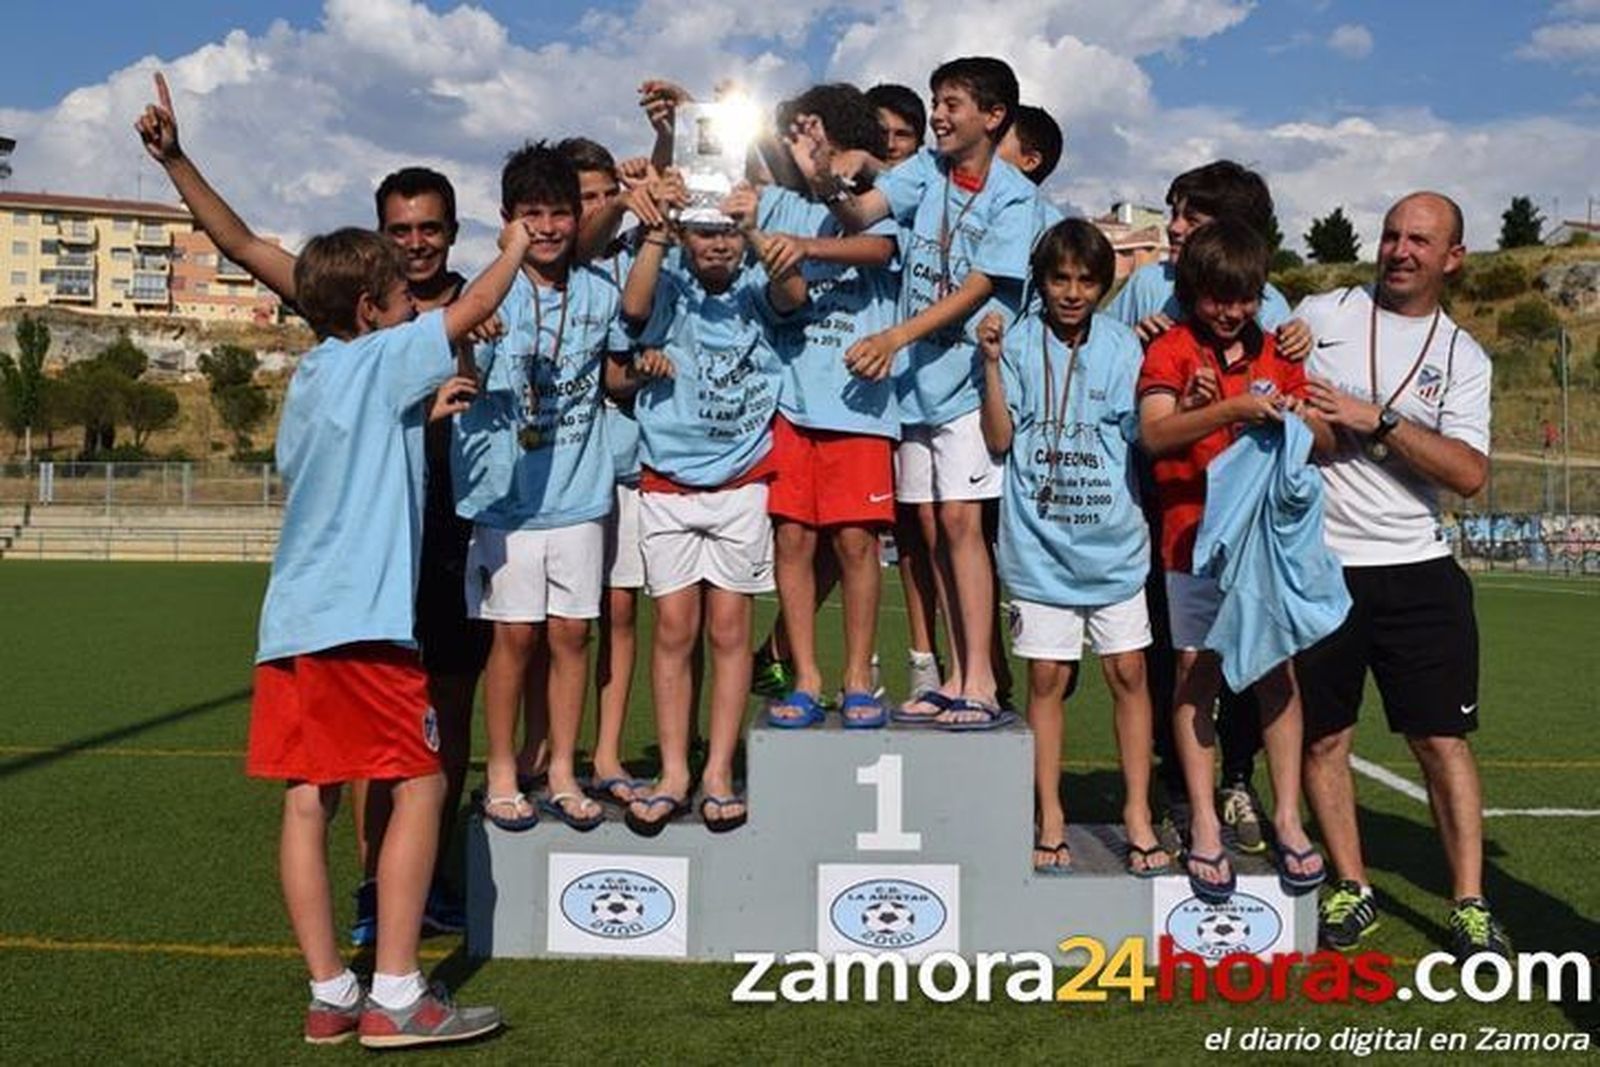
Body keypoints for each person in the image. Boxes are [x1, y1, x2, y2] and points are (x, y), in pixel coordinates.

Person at [133, 73, 482, 946]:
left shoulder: (427, 305)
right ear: (378, 244)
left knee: (443, 729)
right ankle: (379, 909)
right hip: (366, 569)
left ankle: (423, 895)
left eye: (428, 229)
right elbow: (243, 241)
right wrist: (177, 160)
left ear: (451, 231)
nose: (414, 246)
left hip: (444, 544)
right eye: (398, 231)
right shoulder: (349, 302)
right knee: (393, 754)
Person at [241, 222, 523, 1045]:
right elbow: (475, 306)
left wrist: (420, 411)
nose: (415, 305)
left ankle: (330, 992)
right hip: (363, 622)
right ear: (369, 309)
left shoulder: (316, 373)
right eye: (403, 296)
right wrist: (510, 245)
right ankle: (397, 994)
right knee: (423, 783)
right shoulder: (381, 353)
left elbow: (354, 440)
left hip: (291, 623)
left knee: (307, 799)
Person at [1295, 192, 1507, 959]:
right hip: (1321, 565)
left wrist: (1374, 418)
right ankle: (1352, 885)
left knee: (1440, 741)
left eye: (1420, 239)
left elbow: (1469, 472)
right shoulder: (1322, 313)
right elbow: (1284, 399)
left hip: (1418, 571)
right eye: (1390, 235)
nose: (1399, 250)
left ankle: (1471, 902)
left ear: (1452, 257)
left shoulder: (1463, 357)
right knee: (1325, 738)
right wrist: (1315, 424)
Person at [817, 56, 1039, 730]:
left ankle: (980, 678)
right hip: (914, 389)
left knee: (965, 524)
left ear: (992, 116)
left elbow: (976, 289)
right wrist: (829, 176)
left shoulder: (1013, 195)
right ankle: (951, 673)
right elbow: (861, 214)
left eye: (951, 104)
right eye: (935, 103)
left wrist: (895, 339)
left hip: (970, 381)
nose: (937, 116)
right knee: (934, 528)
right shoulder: (925, 172)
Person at [1107, 159, 1308, 857]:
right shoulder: (1146, 295)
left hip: (1248, 522)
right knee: (1176, 657)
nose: (1175, 229)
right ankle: (1178, 788)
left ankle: (1239, 778)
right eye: (1174, 213)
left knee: (1256, 659)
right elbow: (1131, 392)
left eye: (1189, 216)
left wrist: (1299, 359)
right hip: (1167, 506)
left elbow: (1290, 382)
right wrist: (1128, 346)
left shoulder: (1270, 305)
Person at [1136, 218, 1330, 904]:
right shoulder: (1170, 351)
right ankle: (1207, 822)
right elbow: (1156, 436)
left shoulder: (1281, 350)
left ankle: (1287, 817)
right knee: (1198, 672)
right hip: (1192, 539)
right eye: (1217, 298)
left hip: (1264, 543)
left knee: (1276, 670)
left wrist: (1295, 417)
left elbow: (1316, 433)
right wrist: (1222, 411)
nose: (1231, 312)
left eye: (1243, 298)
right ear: (1193, 293)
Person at [978, 219, 1167, 876]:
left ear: (1102, 285)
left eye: (1086, 280)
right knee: (1048, 679)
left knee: (1129, 674)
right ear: (1044, 280)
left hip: (1114, 547)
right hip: (1038, 548)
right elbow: (1000, 440)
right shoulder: (1018, 341)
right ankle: (1050, 812)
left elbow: (1142, 435)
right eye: (1060, 278)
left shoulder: (1122, 347)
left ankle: (1137, 812)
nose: (1072, 292)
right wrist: (992, 367)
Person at [616, 189, 808, 834]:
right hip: (668, 480)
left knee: (729, 631)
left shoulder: (757, 284)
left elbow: (794, 299)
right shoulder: (668, 283)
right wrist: (661, 234)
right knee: (673, 630)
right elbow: (634, 307)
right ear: (685, 237)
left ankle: (719, 770)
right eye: (706, 233)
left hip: (741, 482)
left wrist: (755, 231)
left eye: (729, 232)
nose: (719, 243)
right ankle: (674, 769)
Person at [453, 143, 628, 834]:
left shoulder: (599, 292)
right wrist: (474, 335)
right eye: (533, 215)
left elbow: (613, 375)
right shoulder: (488, 291)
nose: (549, 227)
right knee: (515, 639)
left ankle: (561, 771)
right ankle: (502, 771)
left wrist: (642, 367)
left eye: (560, 213)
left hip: (581, 494)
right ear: (507, 220)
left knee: (571, 635)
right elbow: (462, 372)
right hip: (508, 499)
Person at [754, 84, 901, 729]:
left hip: (860, 407)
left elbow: (877, 248)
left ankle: (858, 674)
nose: (805, 148)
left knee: (856, 545)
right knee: (792, 539)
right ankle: (806, 677)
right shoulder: (781, 202)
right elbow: (781, 287)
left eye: (815, 135)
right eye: (797, 137)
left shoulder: (877, 199)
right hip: (793, 402)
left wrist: (817, 220)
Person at [865, 81, 946, 700]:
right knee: (847, 535)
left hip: (921, 391)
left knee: (926, 532)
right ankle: (847, 666)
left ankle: (926, 662)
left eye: (902, 136)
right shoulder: (839, 203)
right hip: (855, 394)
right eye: (879, 136)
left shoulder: (927, 199)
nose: (890, 147)